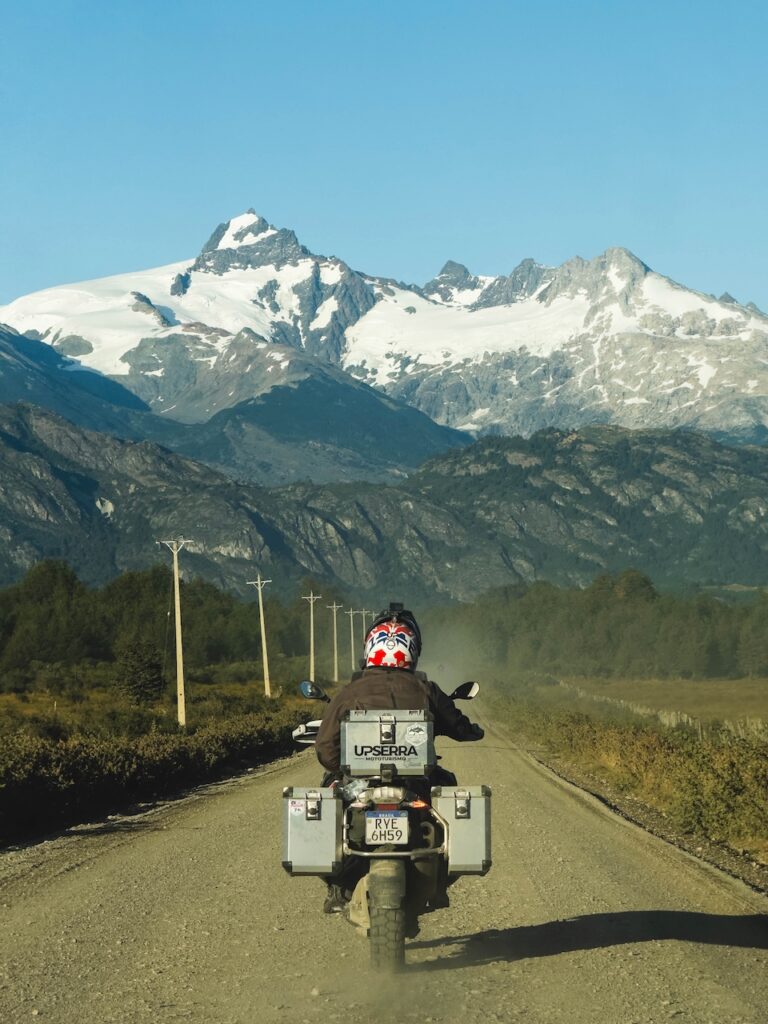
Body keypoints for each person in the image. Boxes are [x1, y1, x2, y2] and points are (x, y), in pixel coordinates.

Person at [315, 603, 484, 913]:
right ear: (413, 650)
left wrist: (340, 770)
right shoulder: (426, 689)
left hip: (360, 786)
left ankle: (337, 888)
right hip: (415, 783)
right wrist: (471, 730)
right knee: (449, 791)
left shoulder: (349, 693)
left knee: (326, 801)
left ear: (369, 647)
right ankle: (440, 884)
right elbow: (459, 727)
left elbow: (325, 748)